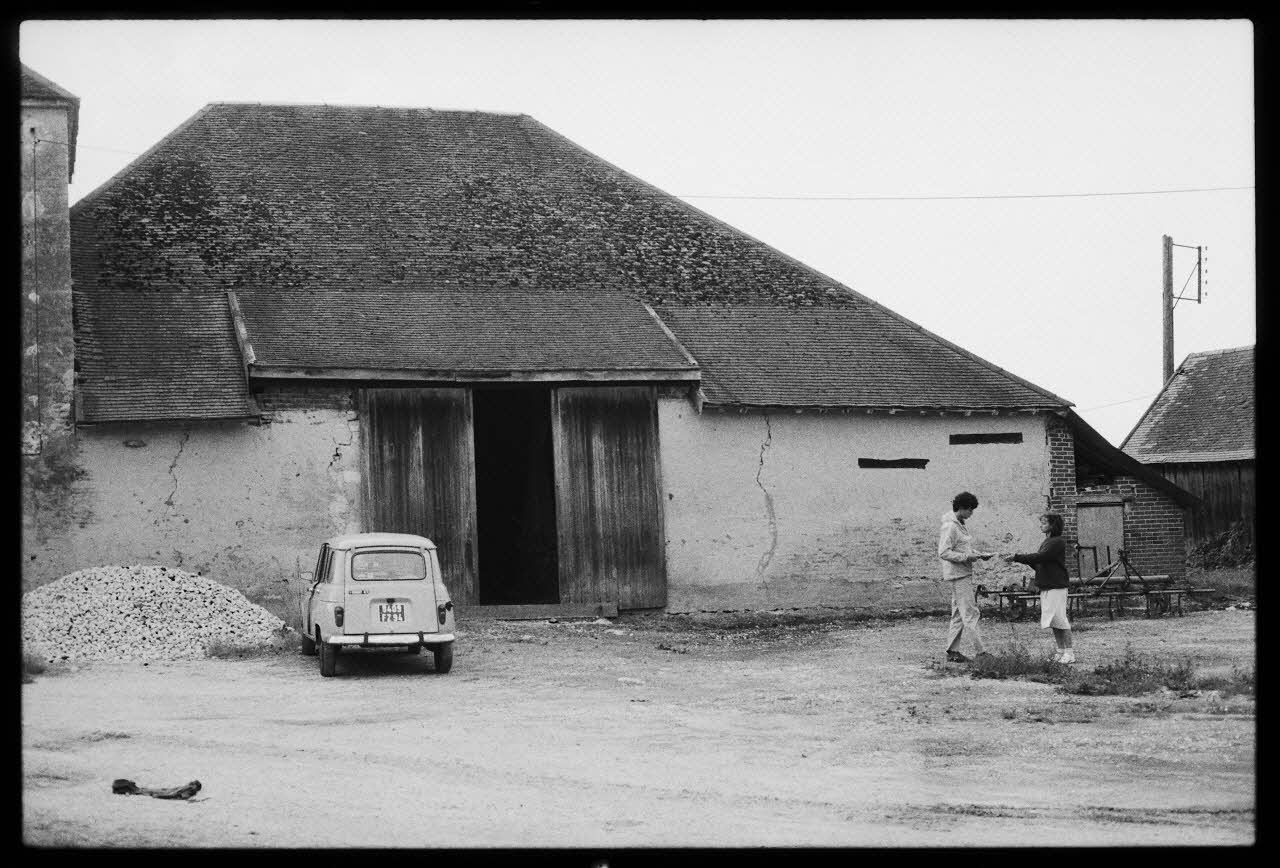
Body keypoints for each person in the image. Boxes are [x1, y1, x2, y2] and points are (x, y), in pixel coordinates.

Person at [1001, 513, 1075, 664]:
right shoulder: (1047, 541)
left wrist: (1017, 557)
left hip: (1056, 585)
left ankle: (1070, 653)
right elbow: (1039, 562)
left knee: (1061, 619)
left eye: (1044, 523)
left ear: (1052, 525)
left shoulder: (1057, 542)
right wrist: (1025, 560)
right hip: (1047, 585)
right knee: (1054, 621)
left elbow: (1040, 557)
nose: (1041, 525)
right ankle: (1060, 651)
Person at [938, 491, 995, 663]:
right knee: (970, 613)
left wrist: (979, 554)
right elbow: (944, 552)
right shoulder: (950, 526)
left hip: (962, 573)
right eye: (970, 509)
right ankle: (981, 652)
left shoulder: (959, 524)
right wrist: (967, 558)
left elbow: (962, 548)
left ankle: (952, 651)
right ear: (961, 508)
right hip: (958, 574)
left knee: (958, 613)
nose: (972, 513)